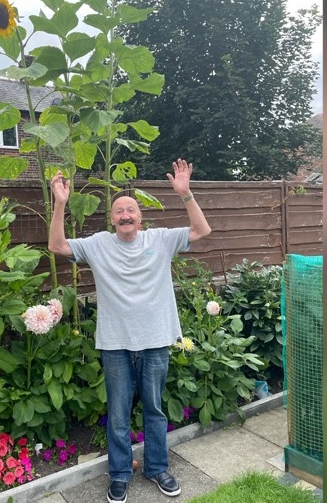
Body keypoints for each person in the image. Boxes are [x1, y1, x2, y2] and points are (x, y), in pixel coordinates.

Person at [48, 159, 212, 503]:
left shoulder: (161, 239)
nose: (125, 214)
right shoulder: (97, 244)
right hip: (115, 343)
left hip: (155, 341)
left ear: (140, 217)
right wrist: (60, 203)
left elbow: (201, 231)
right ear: (111, 219)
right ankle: (120, 474)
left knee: (154, 409)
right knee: (119, 414)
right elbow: (58, 247)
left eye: (131, 210)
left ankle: (157, 468)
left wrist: (185, 195)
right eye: (119, 210)